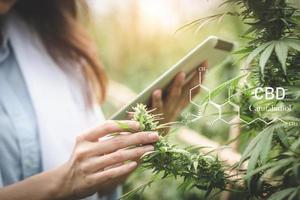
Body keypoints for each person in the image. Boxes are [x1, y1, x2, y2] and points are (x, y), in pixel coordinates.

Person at [0, 1, 206, 199]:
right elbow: (73, 179)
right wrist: (61, 182)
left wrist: (134, 147)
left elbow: (98, 184)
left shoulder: (56, 45)